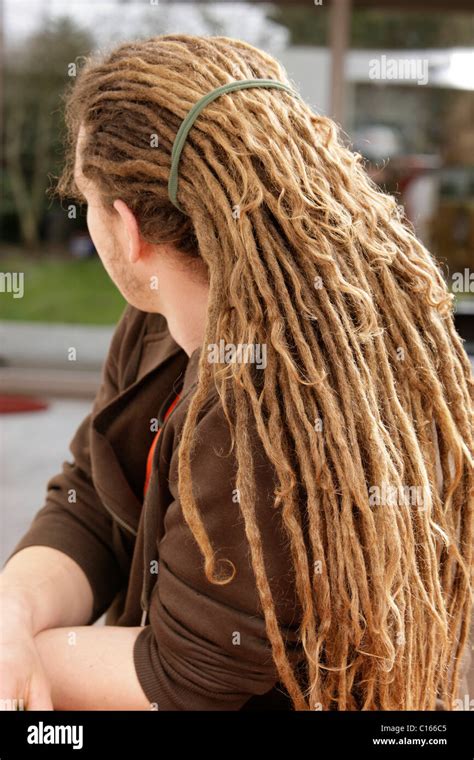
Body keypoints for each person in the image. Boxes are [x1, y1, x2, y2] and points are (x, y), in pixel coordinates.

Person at [0, 34, 472, 712]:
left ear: (127, 229)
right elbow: (93, 497)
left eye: (84, 196)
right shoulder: (158, 318)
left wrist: (25, 661)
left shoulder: (270, 404)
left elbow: (190, 675)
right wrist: (12, 614)